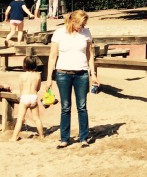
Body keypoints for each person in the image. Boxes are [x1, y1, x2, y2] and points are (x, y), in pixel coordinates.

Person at [45, 10, 98, 149]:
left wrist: (93, 74)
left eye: (84, 24)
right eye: (80, 24)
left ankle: (84, 137)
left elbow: (89, 55)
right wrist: (49, 78)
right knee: (65, 107)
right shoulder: (59, 33)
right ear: (72, 21)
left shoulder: (86, 33)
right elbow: (52, 56)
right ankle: (64, 138)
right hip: (63, 73)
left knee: (82, 106)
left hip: (81, 73)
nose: (82, 26)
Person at [11, 56, 45, 142]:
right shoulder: (37, 76)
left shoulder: (22, 76)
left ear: (25, 65)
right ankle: (42, 136)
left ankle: (14, 137)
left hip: (25, 97)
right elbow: (38, 88)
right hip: (33, 96)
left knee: (20, 119)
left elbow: (21, 88)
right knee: (36, 118)